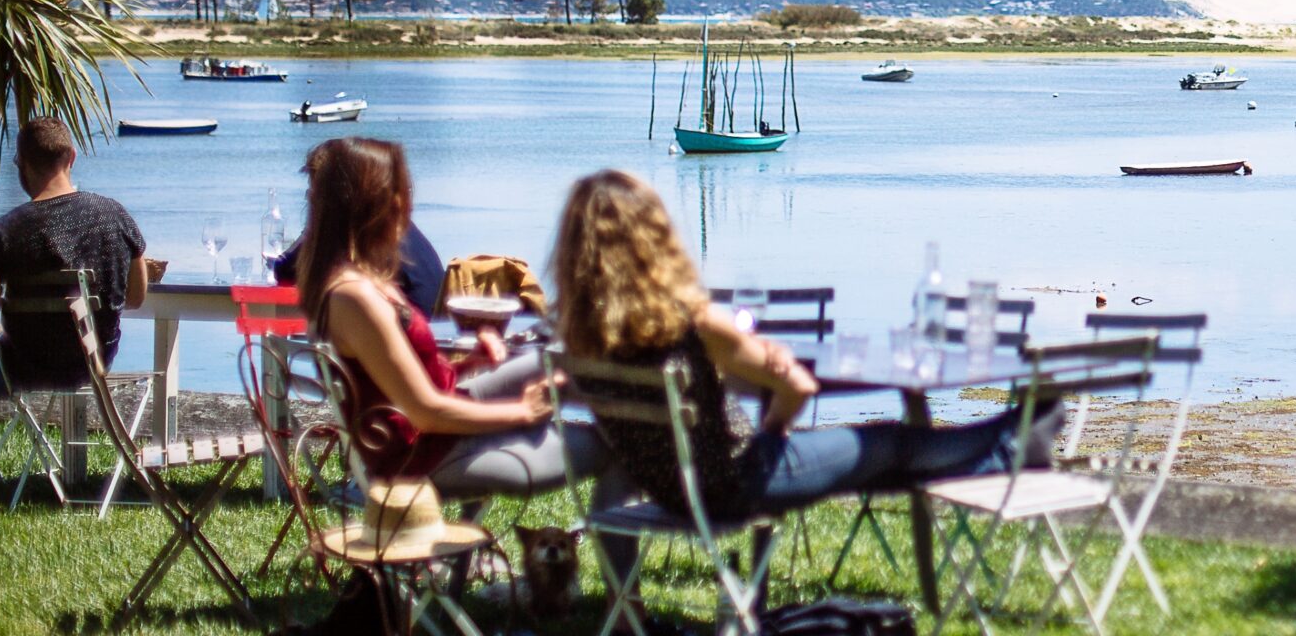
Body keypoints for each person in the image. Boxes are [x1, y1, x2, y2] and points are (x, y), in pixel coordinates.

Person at [551, 170, 1049, 523]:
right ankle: (1008, 442)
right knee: (885, 441)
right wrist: (771, 431)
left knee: (882, 464)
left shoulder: (576, 335)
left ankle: (1008, 441)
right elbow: (798, 385)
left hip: (671, 492)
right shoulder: (694, 325)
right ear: (653, 240)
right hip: (735, 485)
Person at [298, 137, 602, 499]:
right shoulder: (356, 297)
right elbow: (425, 412)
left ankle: (657, 415)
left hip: (439, 435)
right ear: (373, 201)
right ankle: (650, 472)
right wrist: (524, 412)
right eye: (398, 188)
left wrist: (470, 363)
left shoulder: (361, 282)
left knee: (561, 365)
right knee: (613, 448)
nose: (405, 201)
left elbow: (395, 383)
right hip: (425, 456)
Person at [0, 117, 148, 466]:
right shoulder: (115, 216)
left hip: (20, 366)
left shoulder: (4, 232)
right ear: (72, 158)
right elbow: (136, 297)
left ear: (21, 165)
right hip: (93, 363)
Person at [270, 150, 443, 318]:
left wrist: (316, 223)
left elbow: (285, 270)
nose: (310, 198)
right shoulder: (395, 226)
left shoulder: (364, 236)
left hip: (411, 337)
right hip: (431, 334)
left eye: (315, 192)